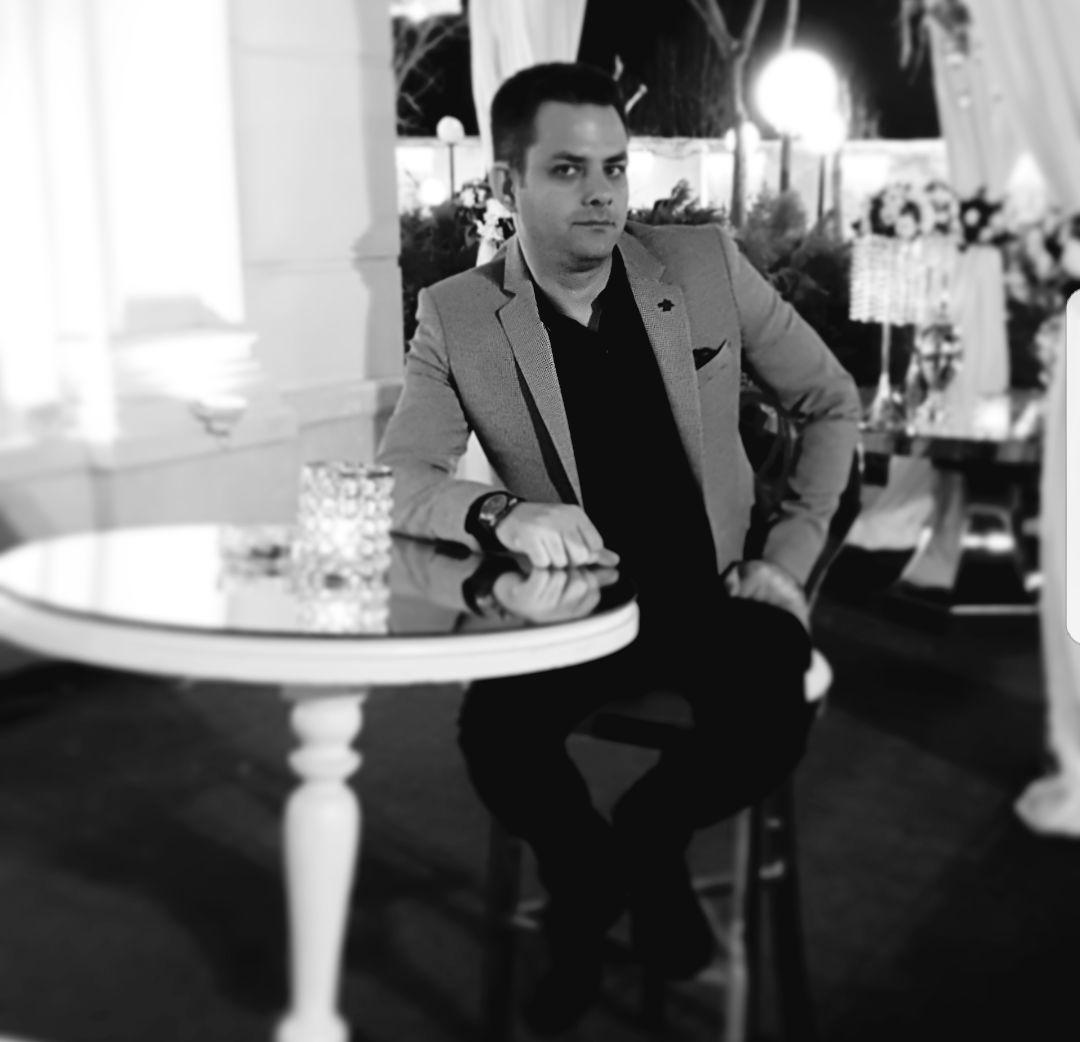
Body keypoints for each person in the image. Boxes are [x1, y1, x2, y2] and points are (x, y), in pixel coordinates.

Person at [377, 61, 860, 1032]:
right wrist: (501, 515)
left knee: (775, 691)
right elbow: (401, 478)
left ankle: (644, 840)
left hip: (713, 593)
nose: (601, 192)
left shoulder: (703, 266)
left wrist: (790, 559)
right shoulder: (459, 314)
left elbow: (830, 400)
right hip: (578, 612)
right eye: (567, 169)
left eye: (614, 166)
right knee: (495, 735)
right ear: (508, 181)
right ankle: (589, 881)